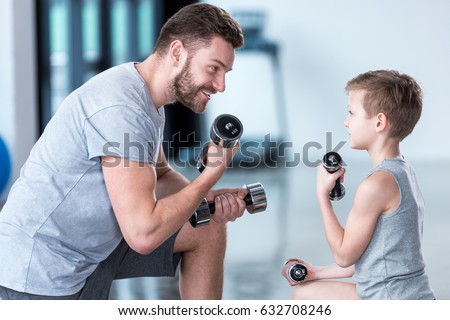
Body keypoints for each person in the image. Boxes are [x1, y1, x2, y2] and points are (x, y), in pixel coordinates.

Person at [0, 3, 247, 300]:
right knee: (154, 228)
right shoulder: (121, 109)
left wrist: (200, 197)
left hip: (90, 250)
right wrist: (208, 178)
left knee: (206, 227)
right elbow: (143, 235)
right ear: (178, 52)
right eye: (213, 68)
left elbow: (161, 174)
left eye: (225, 72)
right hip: (42, 273)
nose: (221, 85)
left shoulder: (145, 96)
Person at [282, 70, 436, 300]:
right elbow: (374, 256)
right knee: (307, 291)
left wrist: (322, 195)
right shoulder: (403, 171)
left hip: (391, 301)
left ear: (379, 122)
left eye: (352, 113)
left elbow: (344, 256)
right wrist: (316, 273)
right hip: (411, 297)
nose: (346, 122)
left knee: (304, 298)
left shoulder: (376, 185)